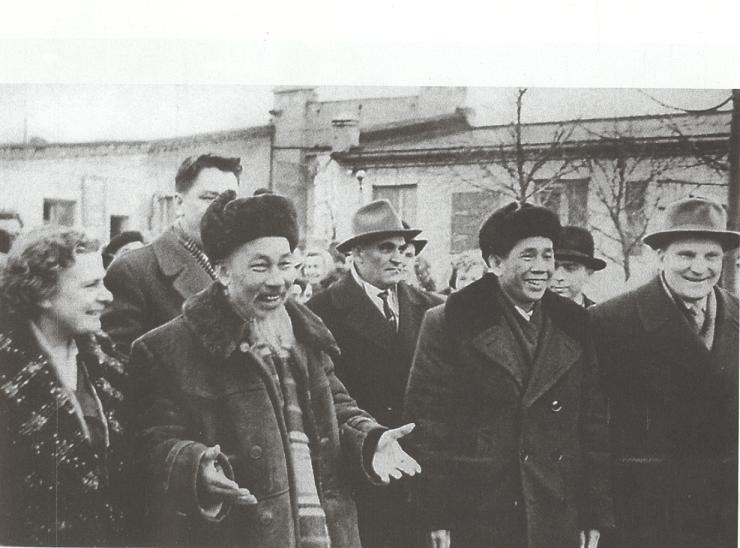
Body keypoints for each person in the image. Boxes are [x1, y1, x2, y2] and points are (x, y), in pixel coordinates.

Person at [128, 190, 420, 547]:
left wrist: (370, 439)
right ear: (222, 272)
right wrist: (197, 466)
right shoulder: (166, 349)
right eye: (260, 266)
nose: (278, 280)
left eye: (285, 264)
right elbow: (150, 445)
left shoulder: (308, 336)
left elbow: (338, 409)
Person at [405, 202, 614, 548]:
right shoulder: (451, 320)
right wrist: (435, 513)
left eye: (548, 255)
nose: (542, 268)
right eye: (528, 256)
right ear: (495, 263)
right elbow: (428, 426)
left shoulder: (575, 322)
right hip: (480, 510)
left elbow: (591, 425)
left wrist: (594, 512)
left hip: (556, 506)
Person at [590, 196, 739, 548]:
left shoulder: (737, 315)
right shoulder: (610, 321)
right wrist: (597, 511)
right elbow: (592, 427)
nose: (699, 268)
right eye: (686, 255)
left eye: (711, 256)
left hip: (722, 512)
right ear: (661, 257)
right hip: (644, 514)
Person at [308, 199, 443, 547]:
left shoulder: (430, 309)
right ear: (356, 253)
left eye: (403, 248)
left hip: (416, 480)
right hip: (358, 480)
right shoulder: (320, 311)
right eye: (386, 248)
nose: (399, 258)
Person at [0, 227, 131, 546]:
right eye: (90, 285)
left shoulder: (105, 358)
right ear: (42, 293)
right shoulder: (7, 373)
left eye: (103, 282)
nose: (107, 296)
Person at [102, 154, 241, 351]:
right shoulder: (132, 270)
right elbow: (122, 361)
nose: (221, 208)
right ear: (178, 204)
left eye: (231, 200)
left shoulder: (242, 263)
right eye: (209, 198)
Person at [550, 225, 606, 307]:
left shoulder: (599, 314)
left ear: (588, 273)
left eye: (570, 268)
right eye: (553, 267)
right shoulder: (531, 314)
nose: (558, 277)